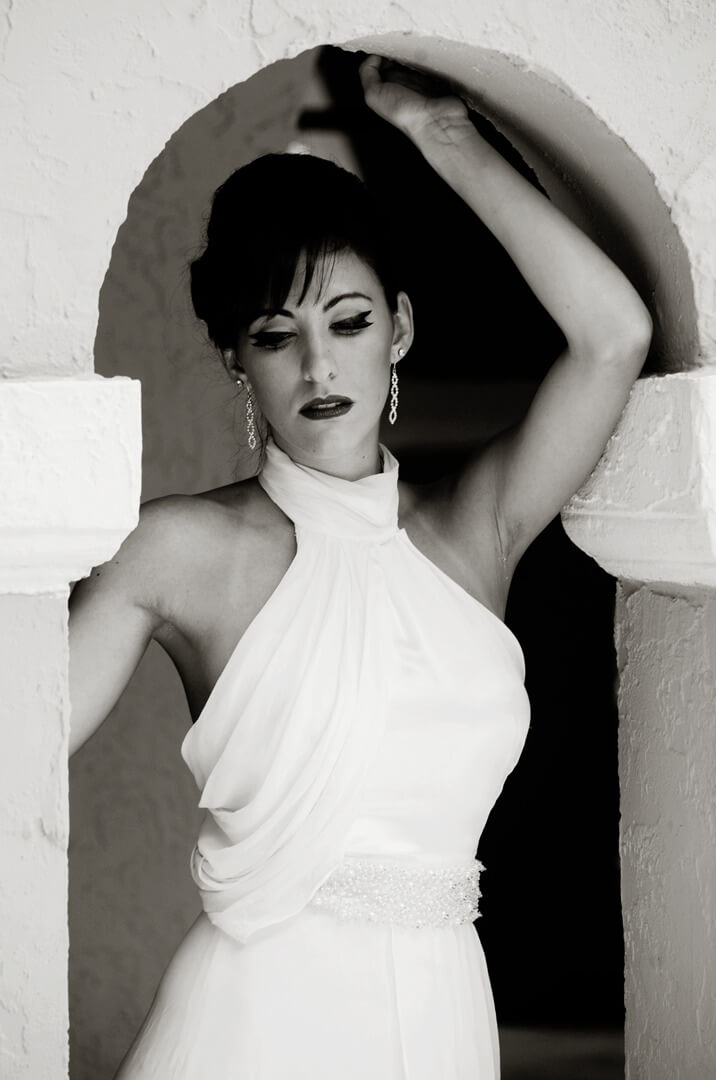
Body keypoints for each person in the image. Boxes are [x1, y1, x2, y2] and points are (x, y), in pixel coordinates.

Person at [69, 54, 652, 1079]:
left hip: (443, 1016)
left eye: (349, 321)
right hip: (253, 1026)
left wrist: (440, 136)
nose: (320, 366)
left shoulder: (475, 530)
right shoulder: (176, 550)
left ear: (400, 329)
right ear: (237, 359)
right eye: (276, 336)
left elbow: (614, 337)